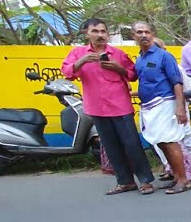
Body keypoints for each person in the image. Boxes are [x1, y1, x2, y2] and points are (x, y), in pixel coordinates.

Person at [63, 18, 155, 195]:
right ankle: (125, 181)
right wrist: (82, 61)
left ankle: (145, 180)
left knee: (132, 145)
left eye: (103, 31)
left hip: (120, 106)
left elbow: (132, 75)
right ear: (86, 33)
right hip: (96, 108)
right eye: (95, 31)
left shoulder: (117, 53)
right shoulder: (78, 53)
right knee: (111, 147)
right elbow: (67, 73)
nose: (100, 35)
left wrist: (117, 68)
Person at [130, 21, 191, 194]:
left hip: (165, 103)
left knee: (170, 142)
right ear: (133, 36)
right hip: (149, 107)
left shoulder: (164, 56)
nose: (143, 35)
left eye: (147, 32)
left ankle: (183, 180)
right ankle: (175, 177)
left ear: (152, 34)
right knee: (162, 143)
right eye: (139, 32)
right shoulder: (140, 59)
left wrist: (180, 108)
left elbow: (177, 82)